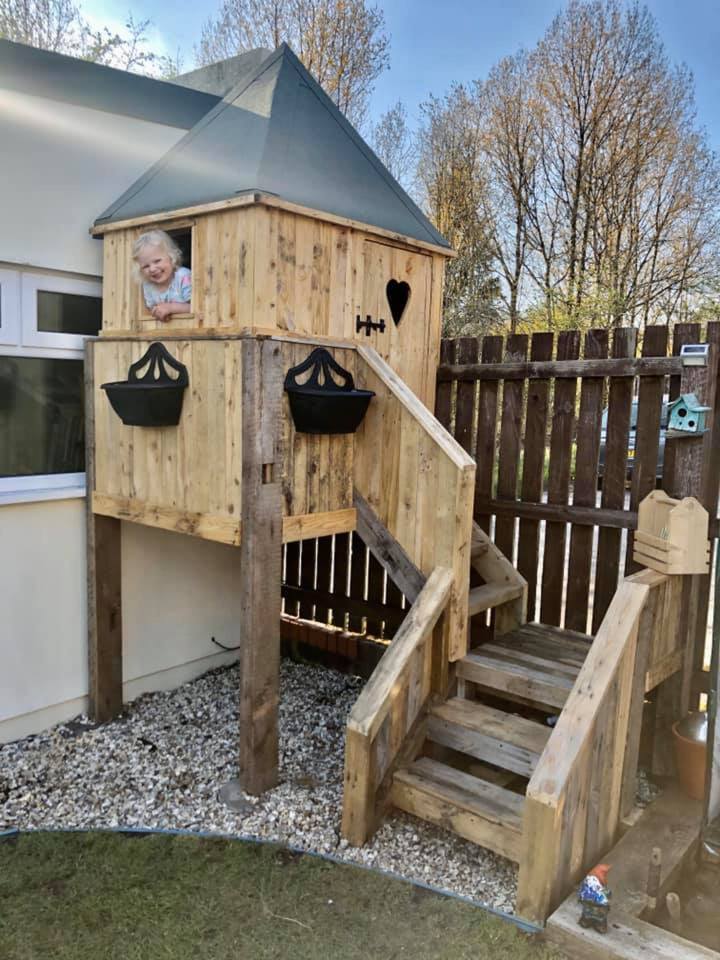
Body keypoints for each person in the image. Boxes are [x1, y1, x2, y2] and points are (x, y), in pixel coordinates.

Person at [132, 230, 192, 322]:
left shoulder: (183, 276)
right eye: (146, 266)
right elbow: (151, 310)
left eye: (157, 261)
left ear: (171, 257)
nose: (152, 269)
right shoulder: (148, 285)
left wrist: (171, 308)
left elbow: (196, 308)